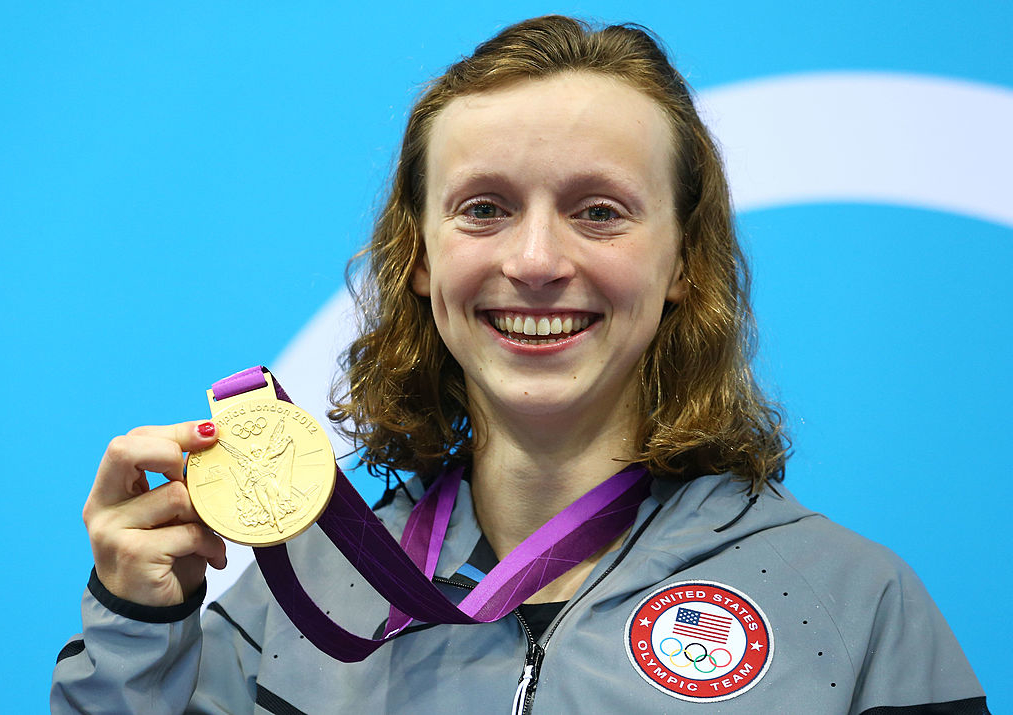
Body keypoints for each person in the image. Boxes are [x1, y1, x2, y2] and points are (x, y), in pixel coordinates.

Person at [52, 15, 988, 714]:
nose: (535, 260)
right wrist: (137, 627)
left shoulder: (850, 608)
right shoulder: (290, 608)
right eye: (485, 209)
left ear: (682, 264)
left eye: (599, 211)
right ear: (420, 257)